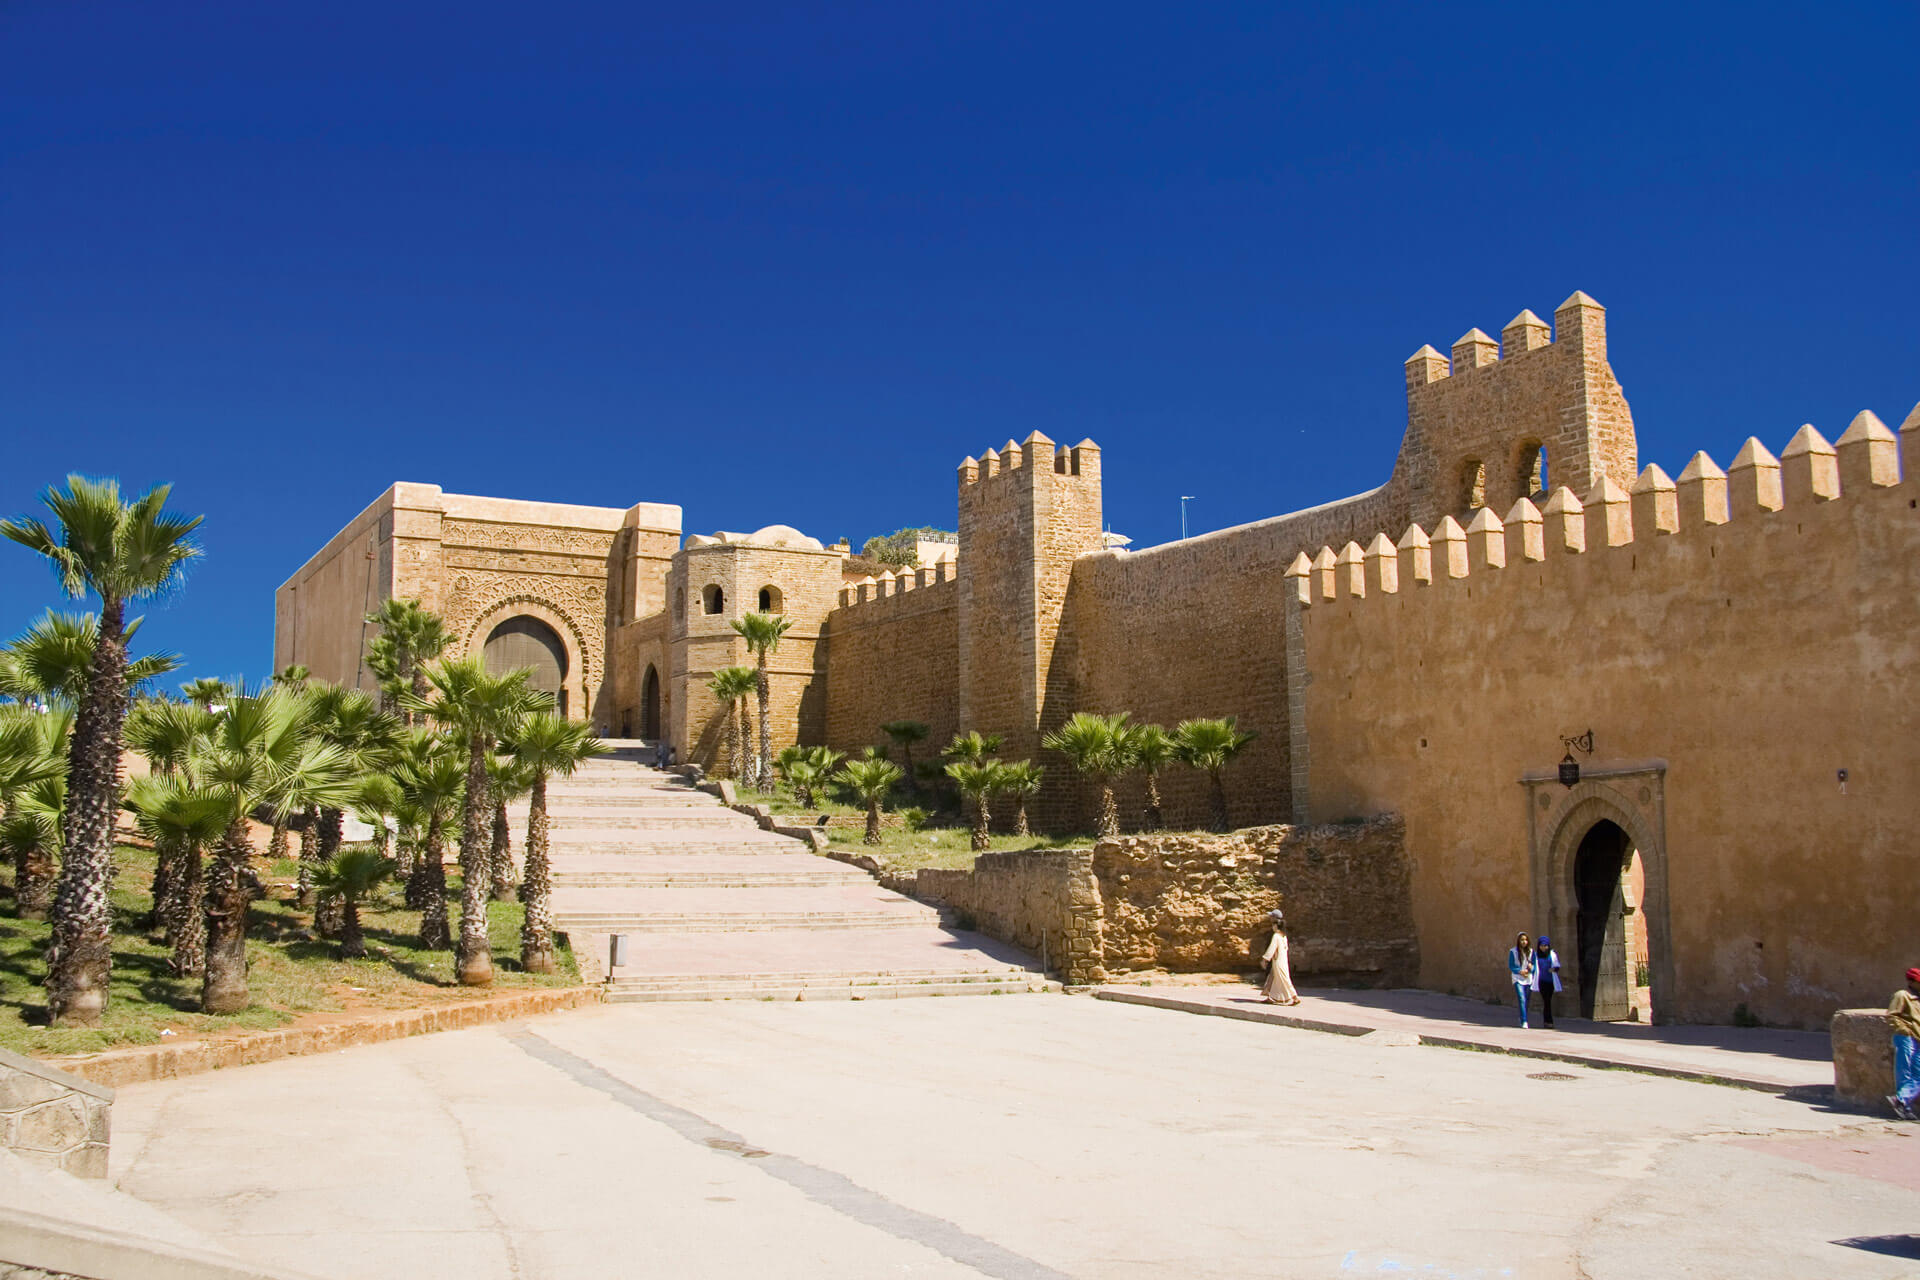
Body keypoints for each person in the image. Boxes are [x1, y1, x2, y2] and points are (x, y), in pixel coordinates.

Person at [1886, 967, 1920, 1120]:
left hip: (1918, 1038)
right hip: (1905, 1037)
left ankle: (1900, 1100)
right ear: (1911, 982)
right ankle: (1904, 1107)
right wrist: (1904, 1030)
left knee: (1917, 1074)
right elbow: (1892, 1016)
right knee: (1904, 1073)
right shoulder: (1902, 995)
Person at [1261, 910, 1300, 1006]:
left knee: (1283, 979)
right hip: (1282, 961)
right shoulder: (1283, 936)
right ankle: (1272, 997)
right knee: (1274, 979)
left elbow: (1272, 949)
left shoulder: (1276, 936)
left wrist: (1265, 959)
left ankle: (1294, 996)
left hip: (1277, 961)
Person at [1533, 935, 1564, 1028]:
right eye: (1542, 945)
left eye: (1545, 945)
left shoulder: (1552, 954)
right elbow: (1533, 966)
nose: (1543, 947)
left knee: (1548, 1001)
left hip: (1550, 981)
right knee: (1546, 1001)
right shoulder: (1536, 955)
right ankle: (1548, 1022)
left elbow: (1557, 966)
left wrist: (1554, 969)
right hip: (1541, 981)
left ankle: (1547, 1021)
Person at [1507, 932, 1535, 1028]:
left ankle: (1523, 1016)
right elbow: (1511, 965)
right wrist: (1520, 971)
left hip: (1528, 977)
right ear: (1518, 941)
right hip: (1518, 977)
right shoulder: (1513, 951)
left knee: (1527, 999)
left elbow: (1534, 965)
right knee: (1521, 998)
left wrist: (1531, 968)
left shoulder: (1531, 952)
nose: (1524, 942)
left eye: (1526, 940)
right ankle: (1524, 1021)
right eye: (1522, 940)